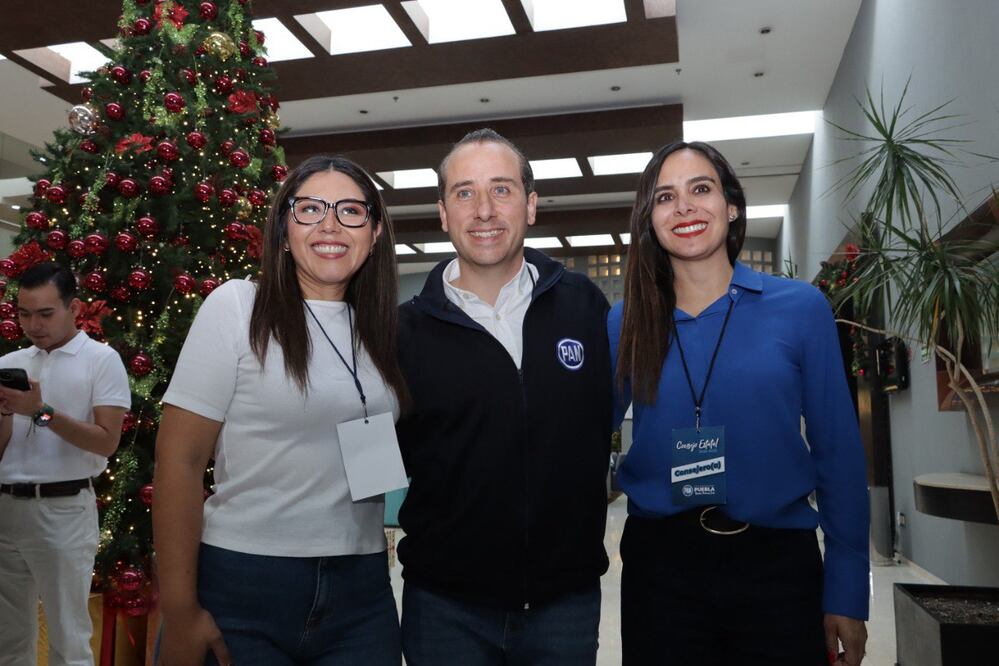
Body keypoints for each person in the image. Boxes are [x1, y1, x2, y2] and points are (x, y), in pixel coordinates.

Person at [608, 140, 870, 666]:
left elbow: (838, 455)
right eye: (664, 197)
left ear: (731, 206)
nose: (683, 207)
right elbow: (579, 438)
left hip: (776, 564)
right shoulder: (624, 322)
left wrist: (846, 590)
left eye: (700, 189)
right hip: (661, 569)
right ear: (648, 220)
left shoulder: (799, 308)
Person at [153, 155, 407, 666]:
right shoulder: (237, 307)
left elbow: (375, 459)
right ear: (283, 226)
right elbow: (178, 462)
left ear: (375, 232)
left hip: (361, 588)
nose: (330, 225)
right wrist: (180, 611)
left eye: (351, 211)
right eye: (311, 208)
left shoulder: (378, 329)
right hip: (246, 582)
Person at [395, 128, 613, 666]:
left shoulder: (584, 306)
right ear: (443, 213)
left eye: (502, 189)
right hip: (445, 610)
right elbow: (377, 455)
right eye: (464, 192)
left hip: (565, 603)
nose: (484, 210)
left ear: (531, 205)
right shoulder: (401, 332)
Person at [0, 261, 131, 666]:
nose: (33, 325)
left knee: (67, 636)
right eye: (24, 313)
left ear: (74, 309)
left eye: (45, 313)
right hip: (6, 506)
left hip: (63, 508)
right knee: (7, 637)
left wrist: (41, 412)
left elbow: (107, 442)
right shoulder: (10, 362)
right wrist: (6, 414)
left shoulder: (101, 360)